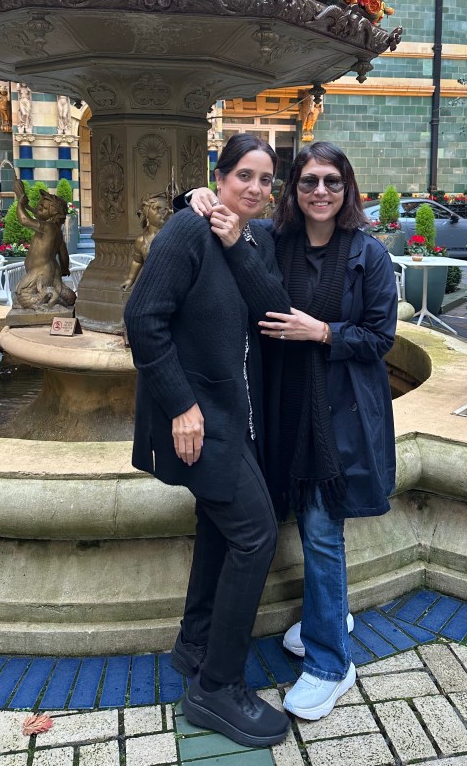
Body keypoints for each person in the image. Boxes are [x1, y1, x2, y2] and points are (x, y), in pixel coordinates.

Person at [187, 141, 398, 722]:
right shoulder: (273, 241)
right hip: (282, 409)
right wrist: (195, 196)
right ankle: (326, 616)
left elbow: (381, 337)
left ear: (347, 188)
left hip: (337, 417)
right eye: (309, 182)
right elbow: (230, 224)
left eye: (332, 181)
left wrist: (323, 332)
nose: (320, 192)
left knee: (323, 532)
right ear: (294, 190)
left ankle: (331, 663)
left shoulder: (369, 254)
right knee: (306, 526)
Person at [124, 135, 292, 749]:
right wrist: (181, 405)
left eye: (265, 179)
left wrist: (236, 241)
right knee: (256, 534)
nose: (255, 188)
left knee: (222, 531)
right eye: (243, 175)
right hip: (199, 420)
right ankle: (217, 689)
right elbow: (142, 319)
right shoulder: (185, 231)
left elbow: (274, 311)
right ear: (218, 178)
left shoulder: (254, 238)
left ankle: (196, 646)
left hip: (235, 419)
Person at [12, 179, 75, 310]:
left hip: (40, 272)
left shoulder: (48, 227)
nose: (38, 208)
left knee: (22, 295)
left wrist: (20, 204)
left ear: (53, 214)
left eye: (43, 208)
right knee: (69, 297)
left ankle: (47, 300)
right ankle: (60, 297)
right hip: (50, 270)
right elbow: (63, 254)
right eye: (39, 205)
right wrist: (64, 269)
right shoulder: (56, 231)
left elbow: (24, 220)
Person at [121, 193, 171, 293]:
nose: (163, 212)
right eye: (156, 208)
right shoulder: (141, 241)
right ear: (146, 212)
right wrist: (130, 279)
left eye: (165, 209)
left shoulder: (171, 236)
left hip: (170, 282)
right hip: (150, 283)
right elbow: (137, 261)